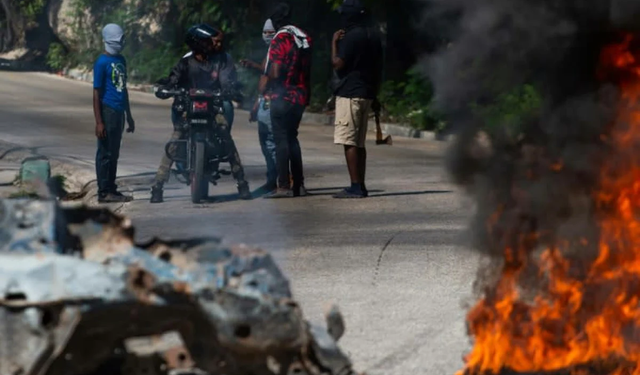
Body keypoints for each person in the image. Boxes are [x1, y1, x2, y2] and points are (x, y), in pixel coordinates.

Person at [150, 24, 251, 203]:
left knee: (225, 136)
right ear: (198, 43)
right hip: (188, 107)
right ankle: (157, 187)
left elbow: (227, 80)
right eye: (207, 41)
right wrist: (165, 88)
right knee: (174, 141)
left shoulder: (220, 60)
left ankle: (242, 183)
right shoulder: (186, 62)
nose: (211, 44)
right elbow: (173, 79)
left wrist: (231, 90)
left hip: (213, 106)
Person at [331, 0, 383, 198]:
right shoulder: (374, 36)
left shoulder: (351, 37)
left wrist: (333, 42)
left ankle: (355, 186)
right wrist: (375, 94)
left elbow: (337, 64)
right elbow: (379, 68)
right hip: (367, 92)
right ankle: (361, 184)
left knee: (349, 141)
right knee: (359, 143)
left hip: (350, 94)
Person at [262, 3, 313, 199]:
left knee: (281, 139)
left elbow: (275, 71)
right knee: (293, 138)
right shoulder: (303, 36)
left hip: (282, 97)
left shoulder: (280, 39)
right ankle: (299, 185)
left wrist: (268, 84)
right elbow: (308, 71)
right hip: (300, 95)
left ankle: (283, 186)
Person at [93, 23, 135, 204]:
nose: (123, 42)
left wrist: (129, 115)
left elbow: (123, 89)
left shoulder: (121, 60)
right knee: (105, 152)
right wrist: (99, 121)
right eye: (120, 39)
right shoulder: (101, 63)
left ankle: (111, 187)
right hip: (107, 110)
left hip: (119, 112)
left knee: (114, 152)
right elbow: (96, 93)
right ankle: (103, 192)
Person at [241, 19, 278, 193]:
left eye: (271, 32)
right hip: (265, 102)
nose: (267, 36)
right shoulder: (270, 52)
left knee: (272, 143)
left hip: (272, 102)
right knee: (266, 144)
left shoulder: (278, 51)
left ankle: (278, 179)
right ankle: (273, 178)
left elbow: (269, 76)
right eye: (265, 32)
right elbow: (264, 75)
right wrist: (257, 104)